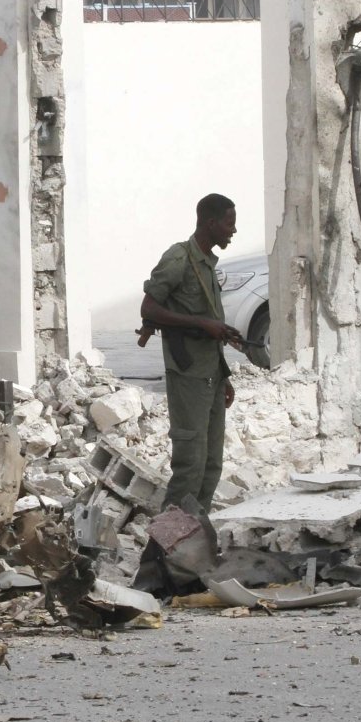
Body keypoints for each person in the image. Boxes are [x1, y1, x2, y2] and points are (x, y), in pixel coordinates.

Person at [141, 194, 243, 513]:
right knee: (190, 466)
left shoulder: (208, 264)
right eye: (229, 223)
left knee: (211, 466)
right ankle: (168, 548)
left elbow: (210, 330)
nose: (233, 230)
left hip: (210, 376)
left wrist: (224, 376)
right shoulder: (179, 258)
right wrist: (201, 323)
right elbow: (150, 307)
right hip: (188, 376)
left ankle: (194, 539)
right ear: (210, 223)